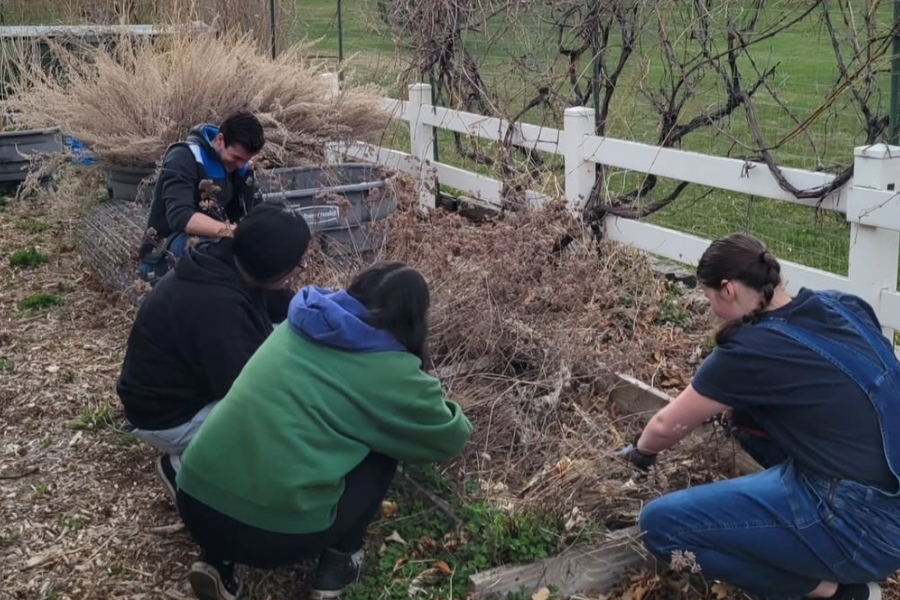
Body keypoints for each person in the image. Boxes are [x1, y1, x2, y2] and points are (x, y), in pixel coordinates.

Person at [618, 233, 900, 600]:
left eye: (709, 300)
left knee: (659, 527)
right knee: (748, 418)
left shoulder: (749, 351)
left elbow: (666, 425)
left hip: (860, 530)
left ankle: (834, 590)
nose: (712, 311)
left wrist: (639, 455)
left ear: (728, 290)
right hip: (881, 499)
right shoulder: (842, 306)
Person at [173, 262, 473, 600]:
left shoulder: (300, 320)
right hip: (271, 536)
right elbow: (451, 435)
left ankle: (217, 558)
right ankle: (336, 569)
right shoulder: (390, 369)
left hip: (193, 496)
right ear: (414, 320)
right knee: (384, 451)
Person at [117, 203, 311, 504]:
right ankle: (187, 467)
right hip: (168, 418)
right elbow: (247, 396)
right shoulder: (217, 308)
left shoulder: (228, 260)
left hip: (178, 390)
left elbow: (291, 310)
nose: (296, 271)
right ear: (274, 267)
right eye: (296, 265)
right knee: (281, 422)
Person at [138, 110, 265, 282]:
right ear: (220, 140)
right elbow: (180, 217)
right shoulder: (184, 156)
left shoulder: (241, 167)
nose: (241, 164)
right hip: (164, 254)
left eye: (246, 159)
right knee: (203, 248)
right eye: (236, 157)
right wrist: (236, 232)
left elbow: (256, 212)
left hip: (215, 243)